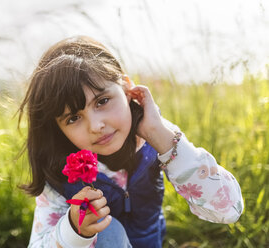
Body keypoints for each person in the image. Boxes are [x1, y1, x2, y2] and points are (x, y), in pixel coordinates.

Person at [18, 36, 243, 248]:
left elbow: (229, 210)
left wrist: (160, 136)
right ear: (58, 128)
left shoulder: (155, 137)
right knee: (109, 231)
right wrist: (74, 230)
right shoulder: (59, 173)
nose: (96, 126)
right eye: (73, 118)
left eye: (102, 101)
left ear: (127, 89)